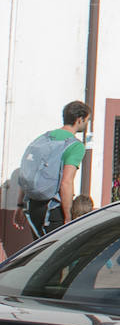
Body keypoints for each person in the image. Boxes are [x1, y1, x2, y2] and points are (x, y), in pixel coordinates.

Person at [13, 100, 90, 237]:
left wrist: (20, 205)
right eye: (87, 120)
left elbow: (26, 173)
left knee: (39, 251)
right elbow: (66, 182)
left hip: (33, 206)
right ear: (79, 119)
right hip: (52, 210)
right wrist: (67, 217)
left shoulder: (43, 138)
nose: (87, 124)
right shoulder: (75, 146)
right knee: (58, 255)